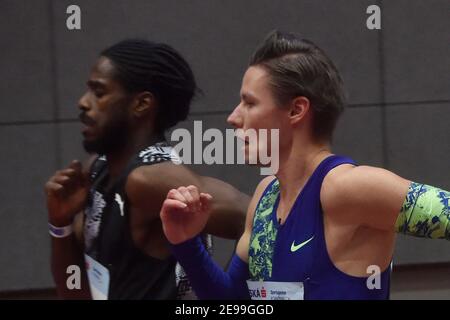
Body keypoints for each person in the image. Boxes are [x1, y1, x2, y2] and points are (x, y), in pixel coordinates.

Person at [160, 30, 450, 300]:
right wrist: (185, 242)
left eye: (249, 103)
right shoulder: (266, 197)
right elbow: (232, 301)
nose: (234, 118)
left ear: (296, 110)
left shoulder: (349, 188)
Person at [45, 39, 249, 300]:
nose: (83, 103)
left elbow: (257, 218)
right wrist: (59, 224)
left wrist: (229, 297)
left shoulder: (150, 178)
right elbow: (74, 294)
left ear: (141, 104)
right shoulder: (98, 168)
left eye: (99, 92)